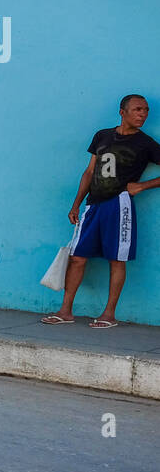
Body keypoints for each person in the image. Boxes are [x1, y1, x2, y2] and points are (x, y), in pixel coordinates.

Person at [44, 94, 160, 328]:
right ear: (122, 111)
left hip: (120, 204)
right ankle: (65, 311)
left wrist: (142, 186)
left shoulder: (146, 143)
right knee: (77, 258)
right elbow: (89, 171)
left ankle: (109, 314)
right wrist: (76, 203)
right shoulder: (102, 135)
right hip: (92, 204)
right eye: (138, 109)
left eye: (146, 110)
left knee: (116, 259)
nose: (143, 114)